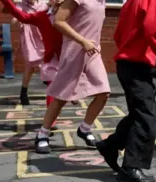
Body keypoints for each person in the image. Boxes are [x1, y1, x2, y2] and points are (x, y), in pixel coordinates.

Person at [96, 0, 156, 182]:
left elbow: (118, 35)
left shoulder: (130, 2)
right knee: (146, 116)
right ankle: (130, 168)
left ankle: (110, 146)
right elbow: (151, 29)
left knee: (138, 114)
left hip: (127, 65)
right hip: (136, 65)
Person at [34, 0, 111, 154]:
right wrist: (82, 41)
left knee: (104, 93)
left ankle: (84, 129)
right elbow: (59, 21)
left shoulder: (102, 1)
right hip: (74, 51)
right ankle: (42, 134)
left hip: (93, 52)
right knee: (62, 96)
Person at [1, 0, 63, 132]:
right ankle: (50, 120)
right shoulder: (41, 15)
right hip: (45, 49)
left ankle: (70, 94)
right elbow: (20, 16)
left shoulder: (70, 14)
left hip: (67, 55)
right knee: (49, 80)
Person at [13, 0, 47, 105]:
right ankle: (23, 92)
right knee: (29, 66)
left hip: (43, 36)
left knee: (49, 63)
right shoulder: (21, 5)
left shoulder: (44, 4)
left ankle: (62, 91)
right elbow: (13, 23)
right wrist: (17, 18)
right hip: (29, 38)